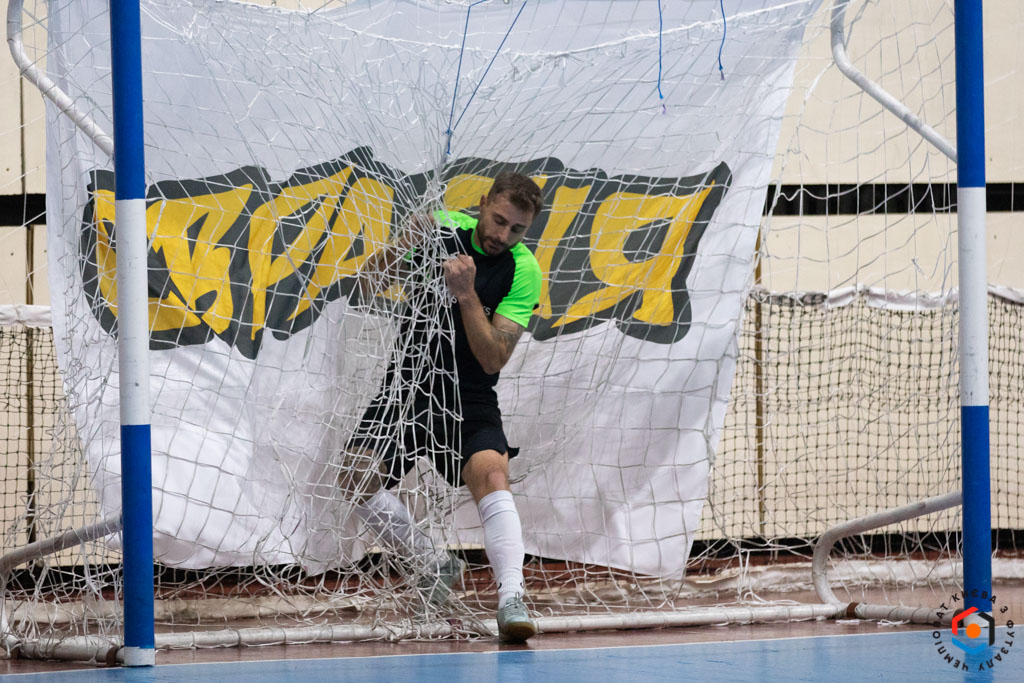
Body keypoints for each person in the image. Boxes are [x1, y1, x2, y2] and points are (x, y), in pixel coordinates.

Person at [344, 171, 544, 642]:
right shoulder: (442, 229)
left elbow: (493, 357)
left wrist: (467, 294)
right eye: (498, 221)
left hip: (469, 397)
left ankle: (512, 599)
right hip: (407, 388)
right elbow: (368, 282)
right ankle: (432, 562)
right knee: (354, 477)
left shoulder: (523, 269)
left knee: (493, 475)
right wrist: (401, 244)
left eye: (517, 229)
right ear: (482, 203)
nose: (502, 236)